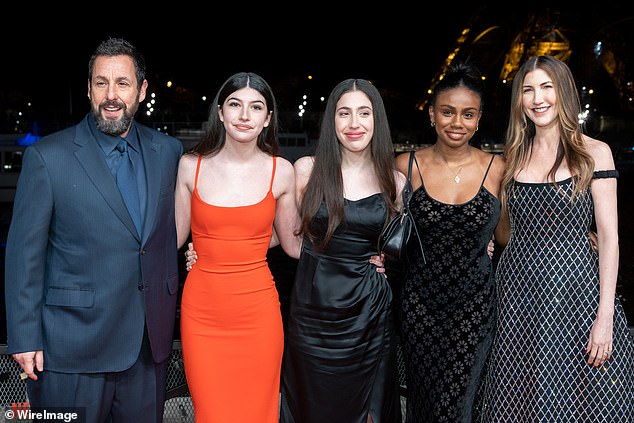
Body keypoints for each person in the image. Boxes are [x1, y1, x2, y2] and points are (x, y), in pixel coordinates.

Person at [4, 37, 183, 422]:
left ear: (142, 90)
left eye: (122, 83)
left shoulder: (168, 152)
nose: (111, 95)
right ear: (88, 89)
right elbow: (23, 256)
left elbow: (173, 229)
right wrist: (23, 337)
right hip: (70, 350)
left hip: (146, 348)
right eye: (101, 83)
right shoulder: (47, 158)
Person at [476, 55, 634, 421]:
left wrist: (605, 317)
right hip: (517, 300)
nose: (537, 98)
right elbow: (501, 230)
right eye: (528, 90)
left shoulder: (594, 152)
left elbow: (609, 237)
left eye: (547, 87)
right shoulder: (512, 157)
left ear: (564, 92)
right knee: (520, 403)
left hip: (575, 298)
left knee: (577, 403)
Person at [173, 72, 301, 422]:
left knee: (258, 413)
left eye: (256, 107)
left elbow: (292, 244)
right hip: (203, 315)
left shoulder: (281, 171)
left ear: (267, 119)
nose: (245, 115)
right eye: (235, 104)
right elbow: (171, 239)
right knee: (211, 413)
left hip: (258, 315)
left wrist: (362, 252)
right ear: (220, 112)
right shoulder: (190, 167)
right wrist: (202, 248)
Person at [278, 78, 405, 423]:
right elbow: (289, 243)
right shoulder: (306, 171)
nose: (354, 124)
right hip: (312, 314)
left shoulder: (395, 182)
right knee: (310, 406)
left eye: (364, 113)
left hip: (369, 315)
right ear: (331, 121)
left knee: (369, 412)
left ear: (376, 120)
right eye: (344, 113)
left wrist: (385, 263)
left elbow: (400, 247)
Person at [394, 61, 506, 422]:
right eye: (447, 112)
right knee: (424, 402)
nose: (457, 123)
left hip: (474, 309)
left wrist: (577, 231)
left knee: (459, 405)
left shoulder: (498, 168)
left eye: (467, 114)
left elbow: (506, 234)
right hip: (419, 307)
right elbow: (382, 227)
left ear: (478, 118)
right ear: (432, 114)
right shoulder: (405, 165)